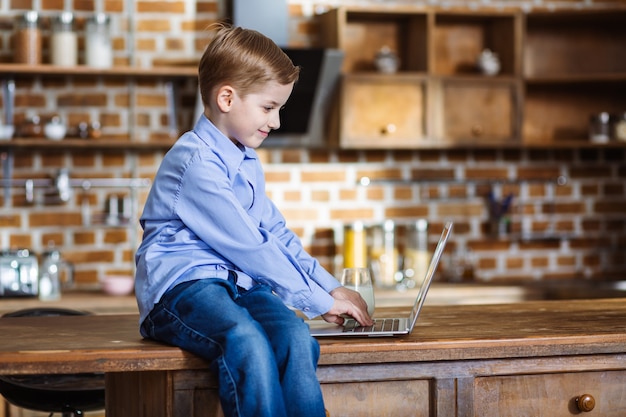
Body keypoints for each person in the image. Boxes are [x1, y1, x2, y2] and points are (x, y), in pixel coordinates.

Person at [134, 24, 372, 417]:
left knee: (296, 336)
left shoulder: (244, 158)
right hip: (184, 290)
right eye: (268, 107)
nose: (276, 121)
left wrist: (332, 287)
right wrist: (316, 300)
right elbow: (249, 245)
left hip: (237, 287)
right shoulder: (193, 161)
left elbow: (275, 232)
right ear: (227, 97)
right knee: (246, 341)